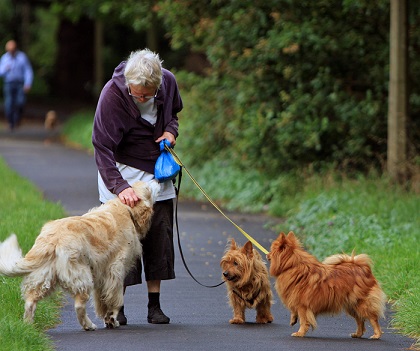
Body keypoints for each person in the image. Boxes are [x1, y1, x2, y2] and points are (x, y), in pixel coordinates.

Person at [92, 48, 183, 325]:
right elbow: (102, 146)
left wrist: (170, 132)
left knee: (159, 234)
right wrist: (120, 187)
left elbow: (173, 116)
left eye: (148, 94)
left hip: (157, 173)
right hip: (121, 171)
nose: (142, 98)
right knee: (122, 244)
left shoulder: (167, 81)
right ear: (128, 84)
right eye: (137, 94)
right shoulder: (112, 94)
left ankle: (154, 306)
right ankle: (118, 307)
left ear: (158, 84)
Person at [0, 40, 33, 130]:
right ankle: (11, 122)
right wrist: (5, 69)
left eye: (13, 49)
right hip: (8, 83)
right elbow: (0, 72)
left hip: (19, 83)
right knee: (9, 103)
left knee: (20, 102)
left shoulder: (22, 57)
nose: (11, 51)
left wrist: (28, 83)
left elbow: (28, 71)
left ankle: (17, 119)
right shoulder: (4, 58)